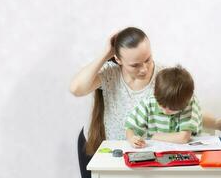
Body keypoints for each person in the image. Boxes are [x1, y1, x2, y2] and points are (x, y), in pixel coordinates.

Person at [69, 27, 221, 178]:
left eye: (148, 59)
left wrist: (216, 123)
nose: (144, 69)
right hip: (101, 148)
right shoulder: (110, 74)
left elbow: (186, 108)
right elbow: (76, 88)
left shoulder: (164, 77)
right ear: (118, 59)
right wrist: (105, 54)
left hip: (142, 157)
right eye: (135, 65)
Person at [125, 66, 202, 148]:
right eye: (162, 106)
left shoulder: (189, 104)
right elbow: (130, 127)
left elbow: (183, 138)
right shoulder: (149, 103)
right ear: (155, 94)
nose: (166, 111)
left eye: (173, 109)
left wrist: (155, 136)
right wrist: (132, 138)